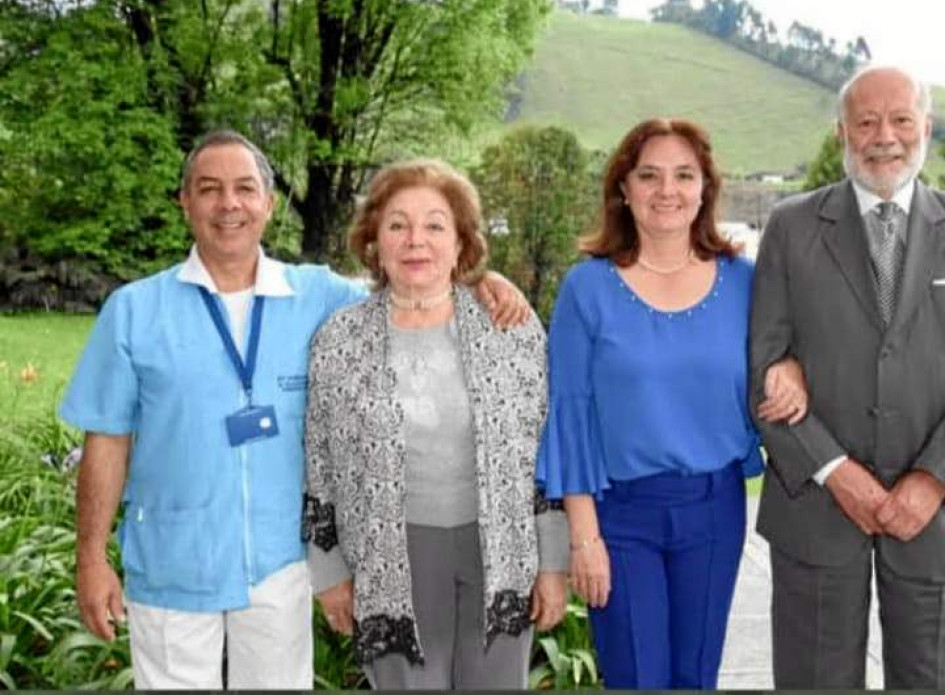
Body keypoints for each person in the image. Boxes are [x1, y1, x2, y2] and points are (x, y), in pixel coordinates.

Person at [60, 131, 530, 690]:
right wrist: (90, 556)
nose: (228, 204)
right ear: (184, 201)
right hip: (172, 564)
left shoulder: (320, 297)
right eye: (209, 189)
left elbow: (411, 280)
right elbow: (107, 441)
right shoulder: (134, 312)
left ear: (268, 202)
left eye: (245, 188)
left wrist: (479, 281)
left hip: (278, 567)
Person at [535, 118, 807, 689]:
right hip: (620, 516)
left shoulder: (746, 282)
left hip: (715, 510)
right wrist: (584, 538)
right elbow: (571, 417)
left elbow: (785, 353)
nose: (668, 190)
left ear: (704, 188)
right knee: (637, 678)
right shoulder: (588, 289)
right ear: (623, 189)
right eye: (649, 175)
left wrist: (789, 367)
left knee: (696, 678)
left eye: (684, 175)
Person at [303, 158, 569, 689]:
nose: (415, 241)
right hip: (388, 557)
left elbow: (545, 456)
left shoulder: (510, 329)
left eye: (434, 225)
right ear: (374, 240)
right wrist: (328, 571)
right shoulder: (340, 340)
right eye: (397, 224)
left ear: (461, 242)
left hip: (500, 553)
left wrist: (553, 562)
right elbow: (320, 464)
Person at [751, 65, 945, 688]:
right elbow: (764, 368)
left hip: (936, 516)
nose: (883, 135)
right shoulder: (790, 227)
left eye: (900, 120)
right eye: (866, 121)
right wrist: (838, 472)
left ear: (927, 127)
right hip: (815, 511)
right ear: (842, 133)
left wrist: (933, 478)